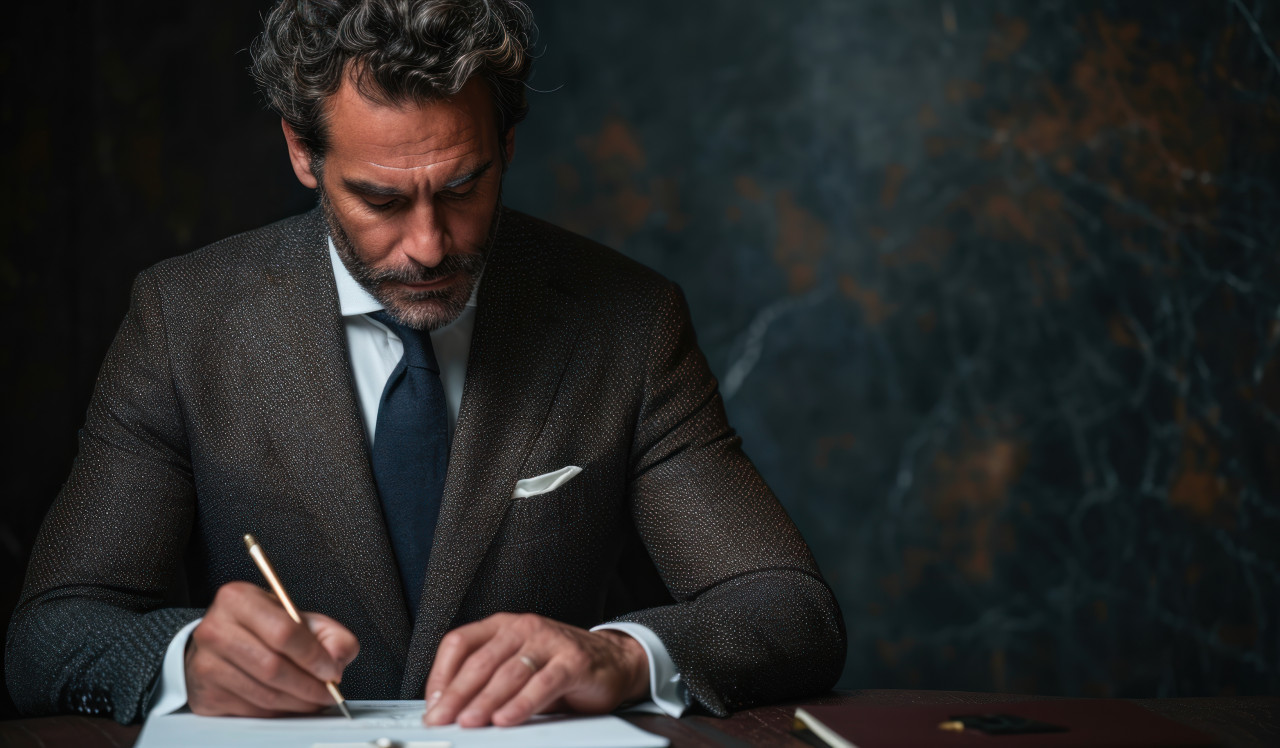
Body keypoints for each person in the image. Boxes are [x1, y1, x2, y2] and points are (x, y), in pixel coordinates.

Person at [6, 0, 845, 727]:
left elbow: (789, 608)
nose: (428, 245)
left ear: (507, 145)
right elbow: (51, 633)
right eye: (380, 198)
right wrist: (184, 657)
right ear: (304, 153)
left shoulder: (628, 323)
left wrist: (624, 657)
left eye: (463, 187)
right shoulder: (181, 321)